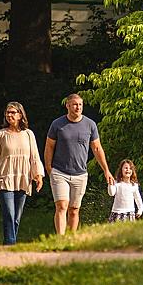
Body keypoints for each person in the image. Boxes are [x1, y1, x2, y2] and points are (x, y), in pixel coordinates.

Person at [44, 93, 114, 235]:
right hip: (59, 172)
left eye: (80, 105)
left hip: (80, 174)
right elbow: (49, 146)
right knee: (62, 206)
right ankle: (60, 239)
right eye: (75, 104)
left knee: (74, 210)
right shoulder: (57, 124)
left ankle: (71, 239)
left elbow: (97, 148)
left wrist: (106, 170)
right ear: (68, 105)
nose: (78, 107)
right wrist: (49, 167)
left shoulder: (90, 124)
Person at [0, 101, 44, 245]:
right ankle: (10, 244)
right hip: (4, 178)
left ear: (20, 115)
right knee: (9, 214)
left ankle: (10, 242)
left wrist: (39, 176)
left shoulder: (28, 134)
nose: (9, 115)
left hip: (23, 179)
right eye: (7, 112)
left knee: (17, 216)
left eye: (12, 112)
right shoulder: (1, 135)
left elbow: (34, 157)